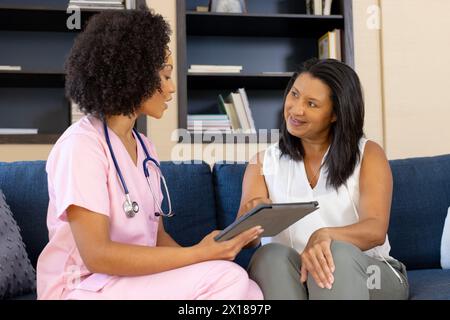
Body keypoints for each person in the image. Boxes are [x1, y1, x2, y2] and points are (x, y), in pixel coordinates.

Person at [36, 9, 263, 300]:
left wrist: (207, 255)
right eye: (166, 76)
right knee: (228, 279)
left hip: (129, 282)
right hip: (81, 286)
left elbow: (157, 238)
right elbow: (97, 256)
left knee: (249, 291)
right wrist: (199, 255)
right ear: (134, 75)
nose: (171, 89)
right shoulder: (81, 146)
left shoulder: (144, 147)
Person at [236, 58, 409, 300]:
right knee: (268, 256)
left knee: (335, 253)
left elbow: (375, 230)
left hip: (370, 273)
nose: (296, 109)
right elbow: (245, 241)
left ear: (335, 115)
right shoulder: (263, 163)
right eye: (294, 94)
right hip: (296, 278)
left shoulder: (368, 154)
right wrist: (251, 219)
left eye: (312, 104)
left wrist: (325, 235)